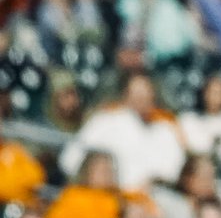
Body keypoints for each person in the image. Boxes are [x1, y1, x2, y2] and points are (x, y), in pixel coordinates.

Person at [58, 72, 186, 193]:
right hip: (106, 194)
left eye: (146, 95)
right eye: (137, 95)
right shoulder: (105, 120)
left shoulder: (165, 129)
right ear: (126, 96)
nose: (142, 100)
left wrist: (155, 182)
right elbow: (71, 158)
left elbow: (175, 169)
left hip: (150, 198)